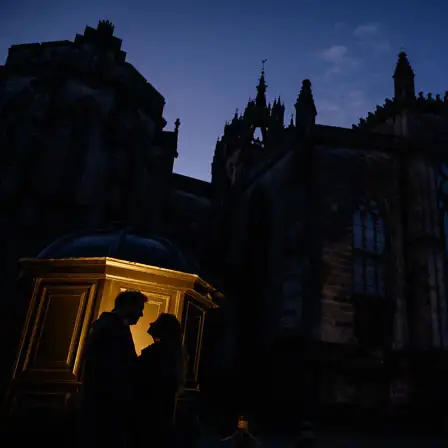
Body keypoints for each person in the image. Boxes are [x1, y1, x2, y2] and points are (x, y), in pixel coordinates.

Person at [78, 290, 147, 448]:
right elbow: (117, 365)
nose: (142, 314)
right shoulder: (113, 328)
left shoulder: (108, 325)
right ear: (129, 306)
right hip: (107, 401)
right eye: (140, 309)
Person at [132, 313, 188, 448]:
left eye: (155, 322)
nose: (150, 323)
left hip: (147, 414)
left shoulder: (157, 353)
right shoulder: (172, 354)